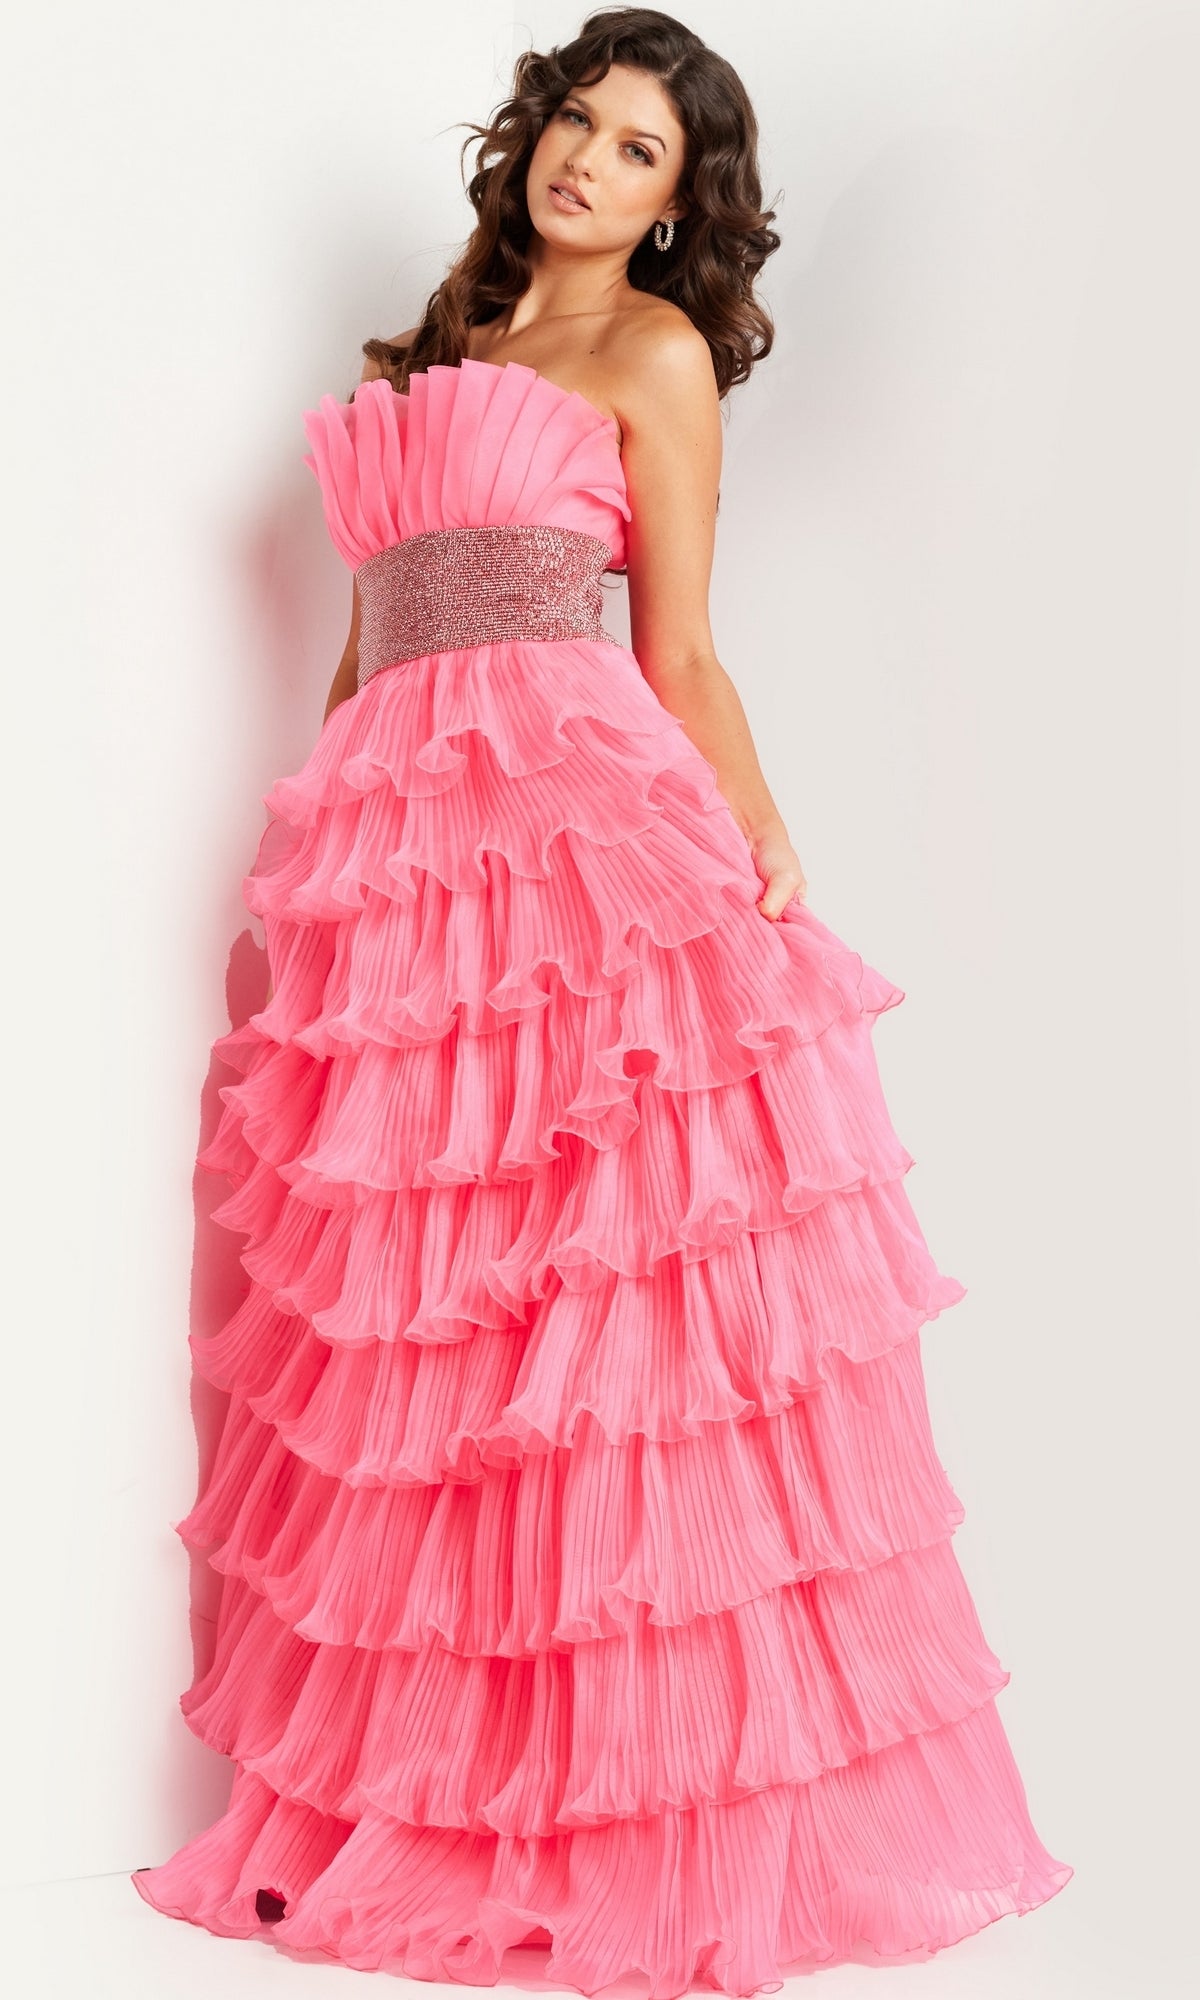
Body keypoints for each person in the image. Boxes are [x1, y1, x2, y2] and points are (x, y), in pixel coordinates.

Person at [131, 10, 1072, 1992]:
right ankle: (441, 1784)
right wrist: (317, 858)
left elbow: (685, 648)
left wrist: (759, 837)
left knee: (609, 1308)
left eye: (640, 151)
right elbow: (369, 653)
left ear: (677, 205)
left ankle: (638, 1804)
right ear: (531, 136)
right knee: (435, 1318)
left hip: (579, 846)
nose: (589, 162)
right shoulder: (435, 354)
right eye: (580, 122)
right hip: (404, 875)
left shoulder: (650, 357)